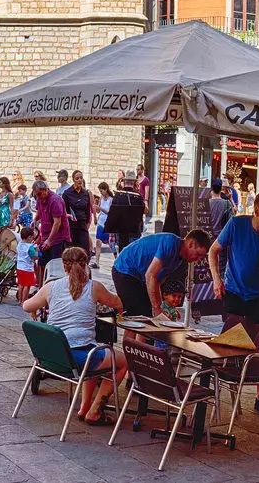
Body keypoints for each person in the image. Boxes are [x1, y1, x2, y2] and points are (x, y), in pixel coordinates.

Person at [22, 244, 123, 424]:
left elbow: (27, 306)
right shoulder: (95, 287)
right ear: (86, 264)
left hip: (52, 356)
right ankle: (95, 410)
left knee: (93, 354)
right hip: (76, 359)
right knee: (122, 361)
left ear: (63, 265)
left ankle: (84, 409)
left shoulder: (51, 287)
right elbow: (117, 303)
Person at [210, 187, 259, 409]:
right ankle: (224, 381)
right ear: (257, 210)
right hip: (233, 291)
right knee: (232, 340)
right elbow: (213, 251)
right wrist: (216, 280)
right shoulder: (236, 224)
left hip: (258, 295)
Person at [110, 228, 211, 317]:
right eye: (198, 255)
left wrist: (164, 308)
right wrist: (157, 308)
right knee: (137, 313)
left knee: (146, 313)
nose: (197, 260)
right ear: (191, 244)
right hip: (124, 268)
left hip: (137, 274)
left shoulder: (178, 260)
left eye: (200, 258)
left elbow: (158, 282)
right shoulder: (171, 243)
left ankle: (134, 338)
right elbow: (150, 275)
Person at [29, 173, 70, 278]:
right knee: (42, 263)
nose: (38, 197)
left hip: (58, 237)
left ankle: (54, 286)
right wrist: (35, 220)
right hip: (46, 234)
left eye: (39, 194)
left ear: (46, 190)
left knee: (55, 264)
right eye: (36, 194)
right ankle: (42, 287)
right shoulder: (40, 198)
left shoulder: (55, 201)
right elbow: (39, 210)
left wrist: (50, 240)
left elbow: (57, 223)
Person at [104, 173, 145, 252]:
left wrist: (111, 233)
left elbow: (112, 215)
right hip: (134, 231)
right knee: (133, 256)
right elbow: (144, 210)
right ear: (134, 183)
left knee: (123, 254)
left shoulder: (118, 196)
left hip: (121, 232)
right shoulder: (138, 196)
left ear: (124, 182)